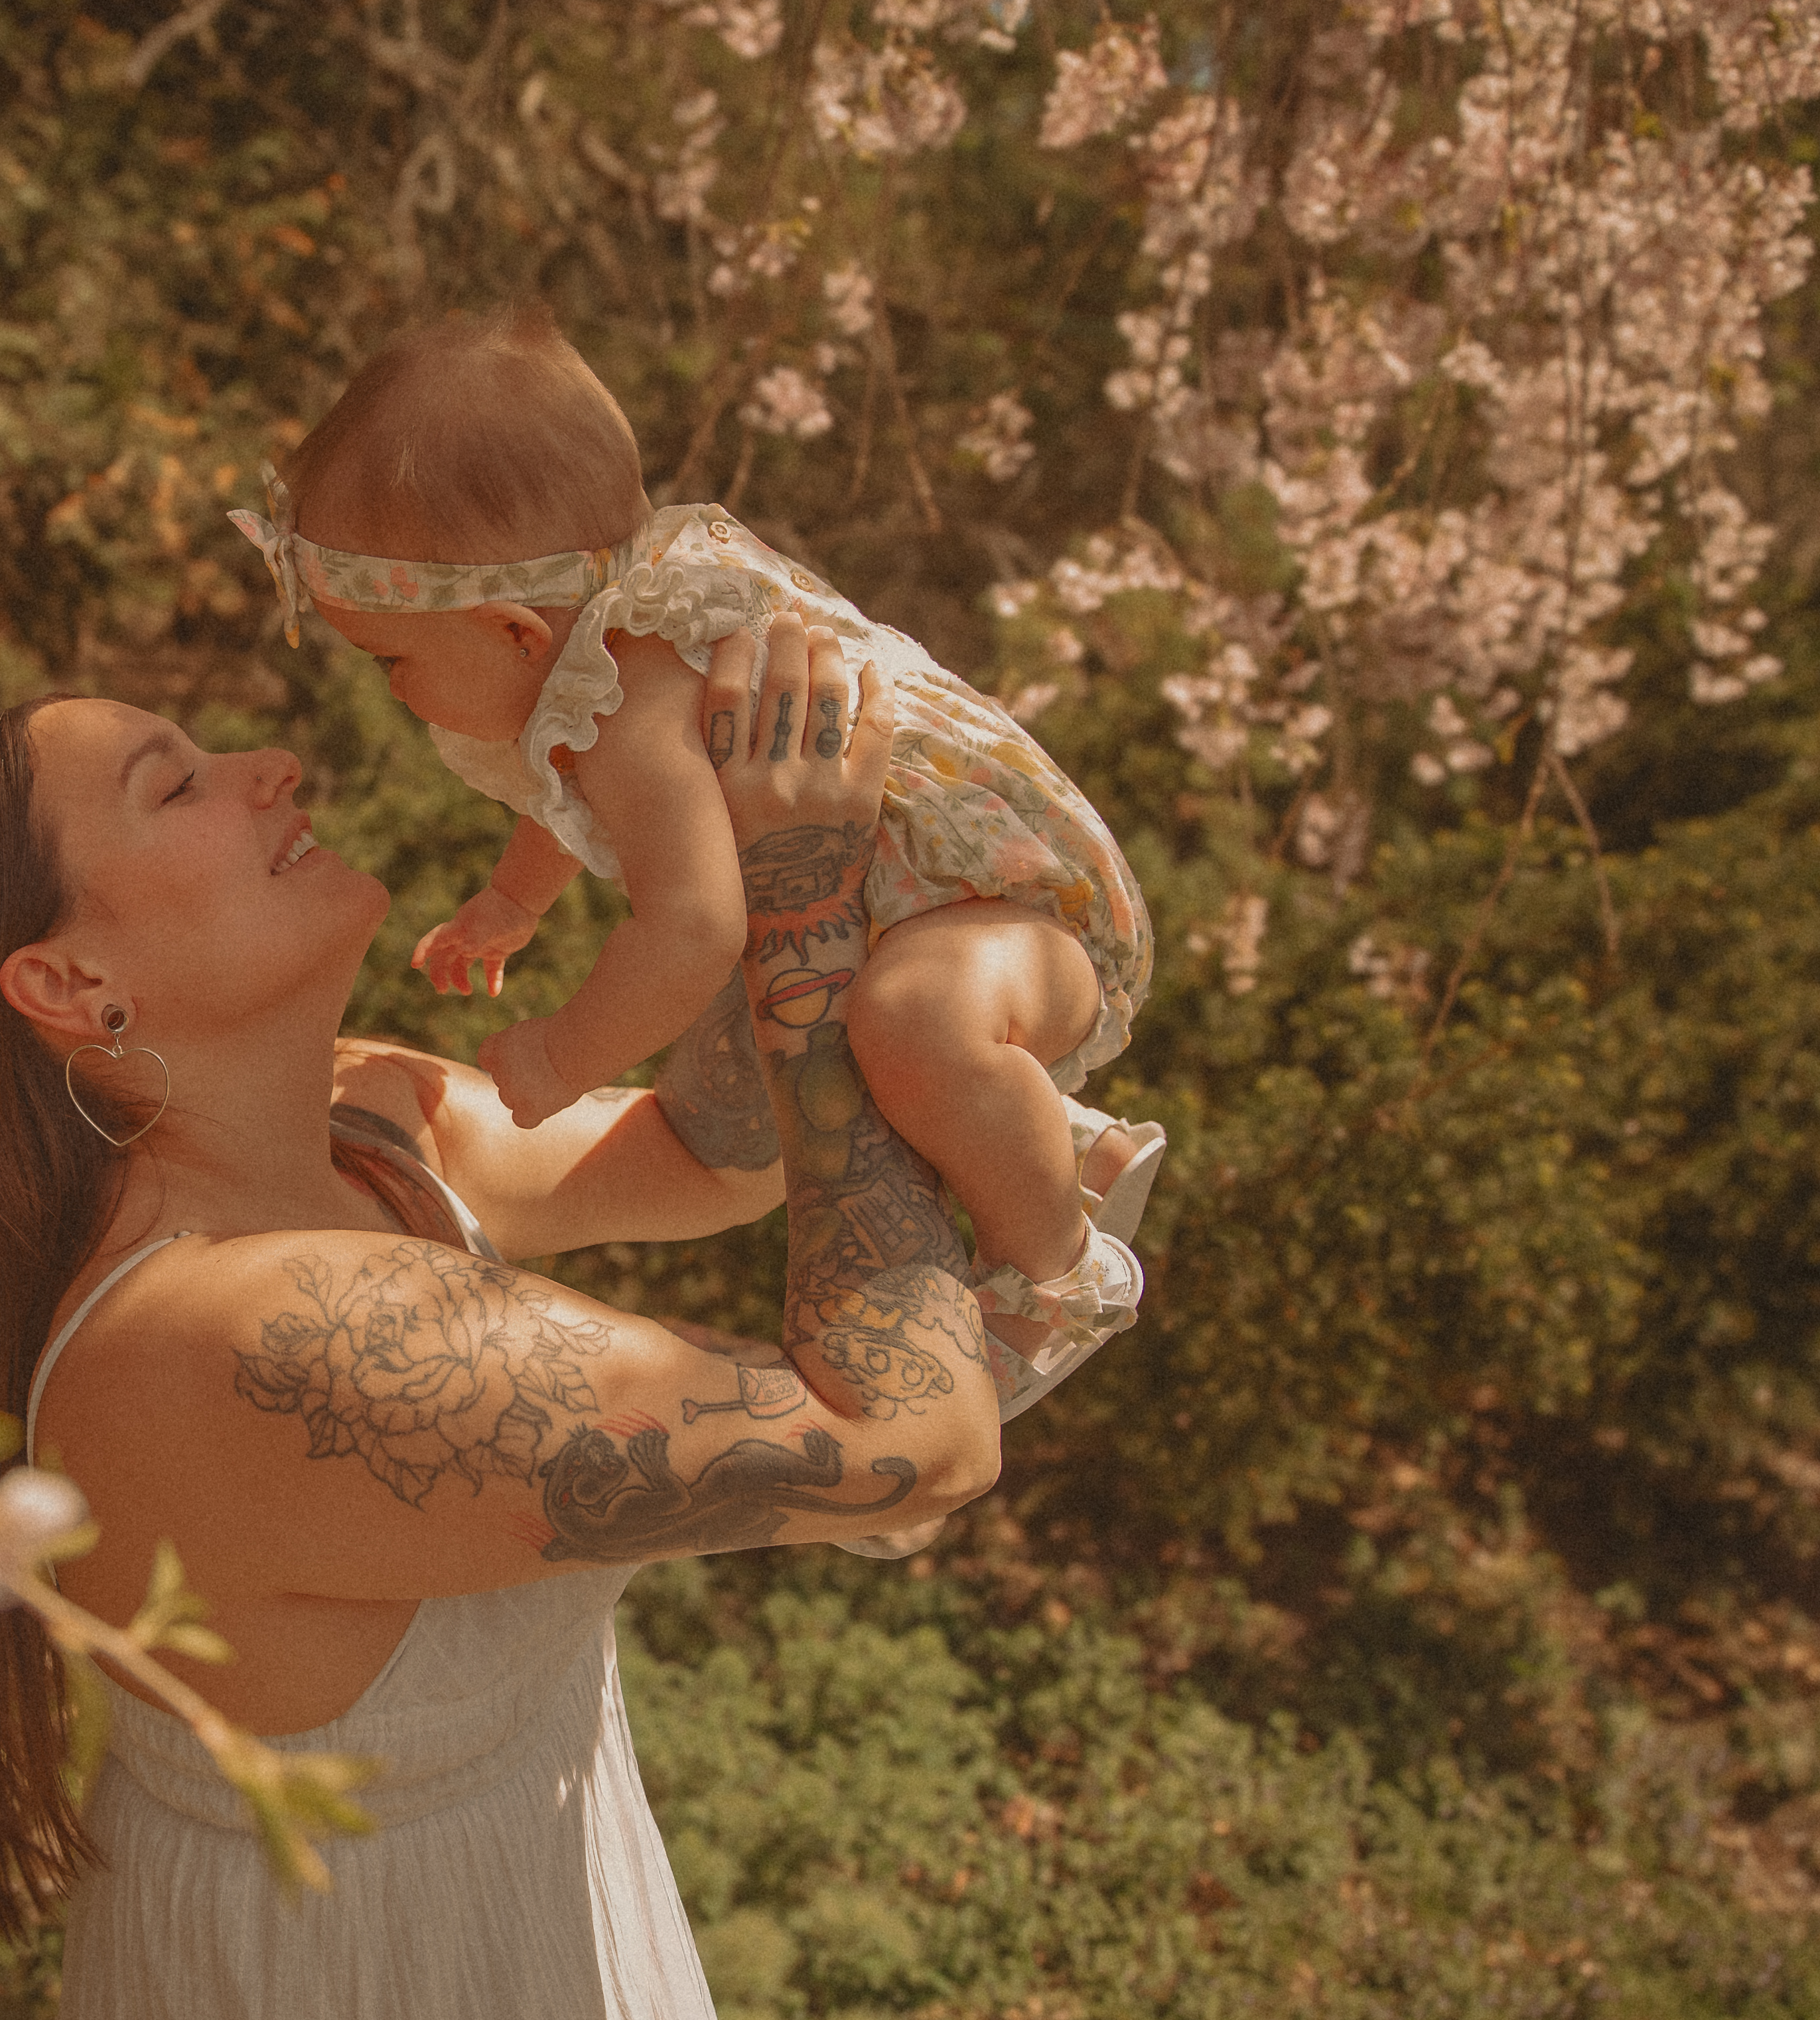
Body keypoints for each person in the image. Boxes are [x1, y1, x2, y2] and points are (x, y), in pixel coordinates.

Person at [0, 616, 999, 2020]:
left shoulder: (356, 1127)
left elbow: (714, 1153)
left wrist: (714, 847)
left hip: (510, 1958)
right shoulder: (265, 1341)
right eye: (177, 788)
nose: (270, 768)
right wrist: (802, 910)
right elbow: (917, 1444)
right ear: (68, 981)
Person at [230, 309, 1162, 1413]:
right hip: (918, 914)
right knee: (812, 1076)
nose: (392, 692)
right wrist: (513, 899)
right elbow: (566, 790)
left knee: (911, 1021)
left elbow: (694, 927)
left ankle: (1057, 1276)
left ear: (519, 634)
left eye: (391, 660)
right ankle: (1056, 1144)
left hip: (1010, 904)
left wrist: (565, 1052)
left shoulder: (639, 689)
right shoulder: (604, 665)